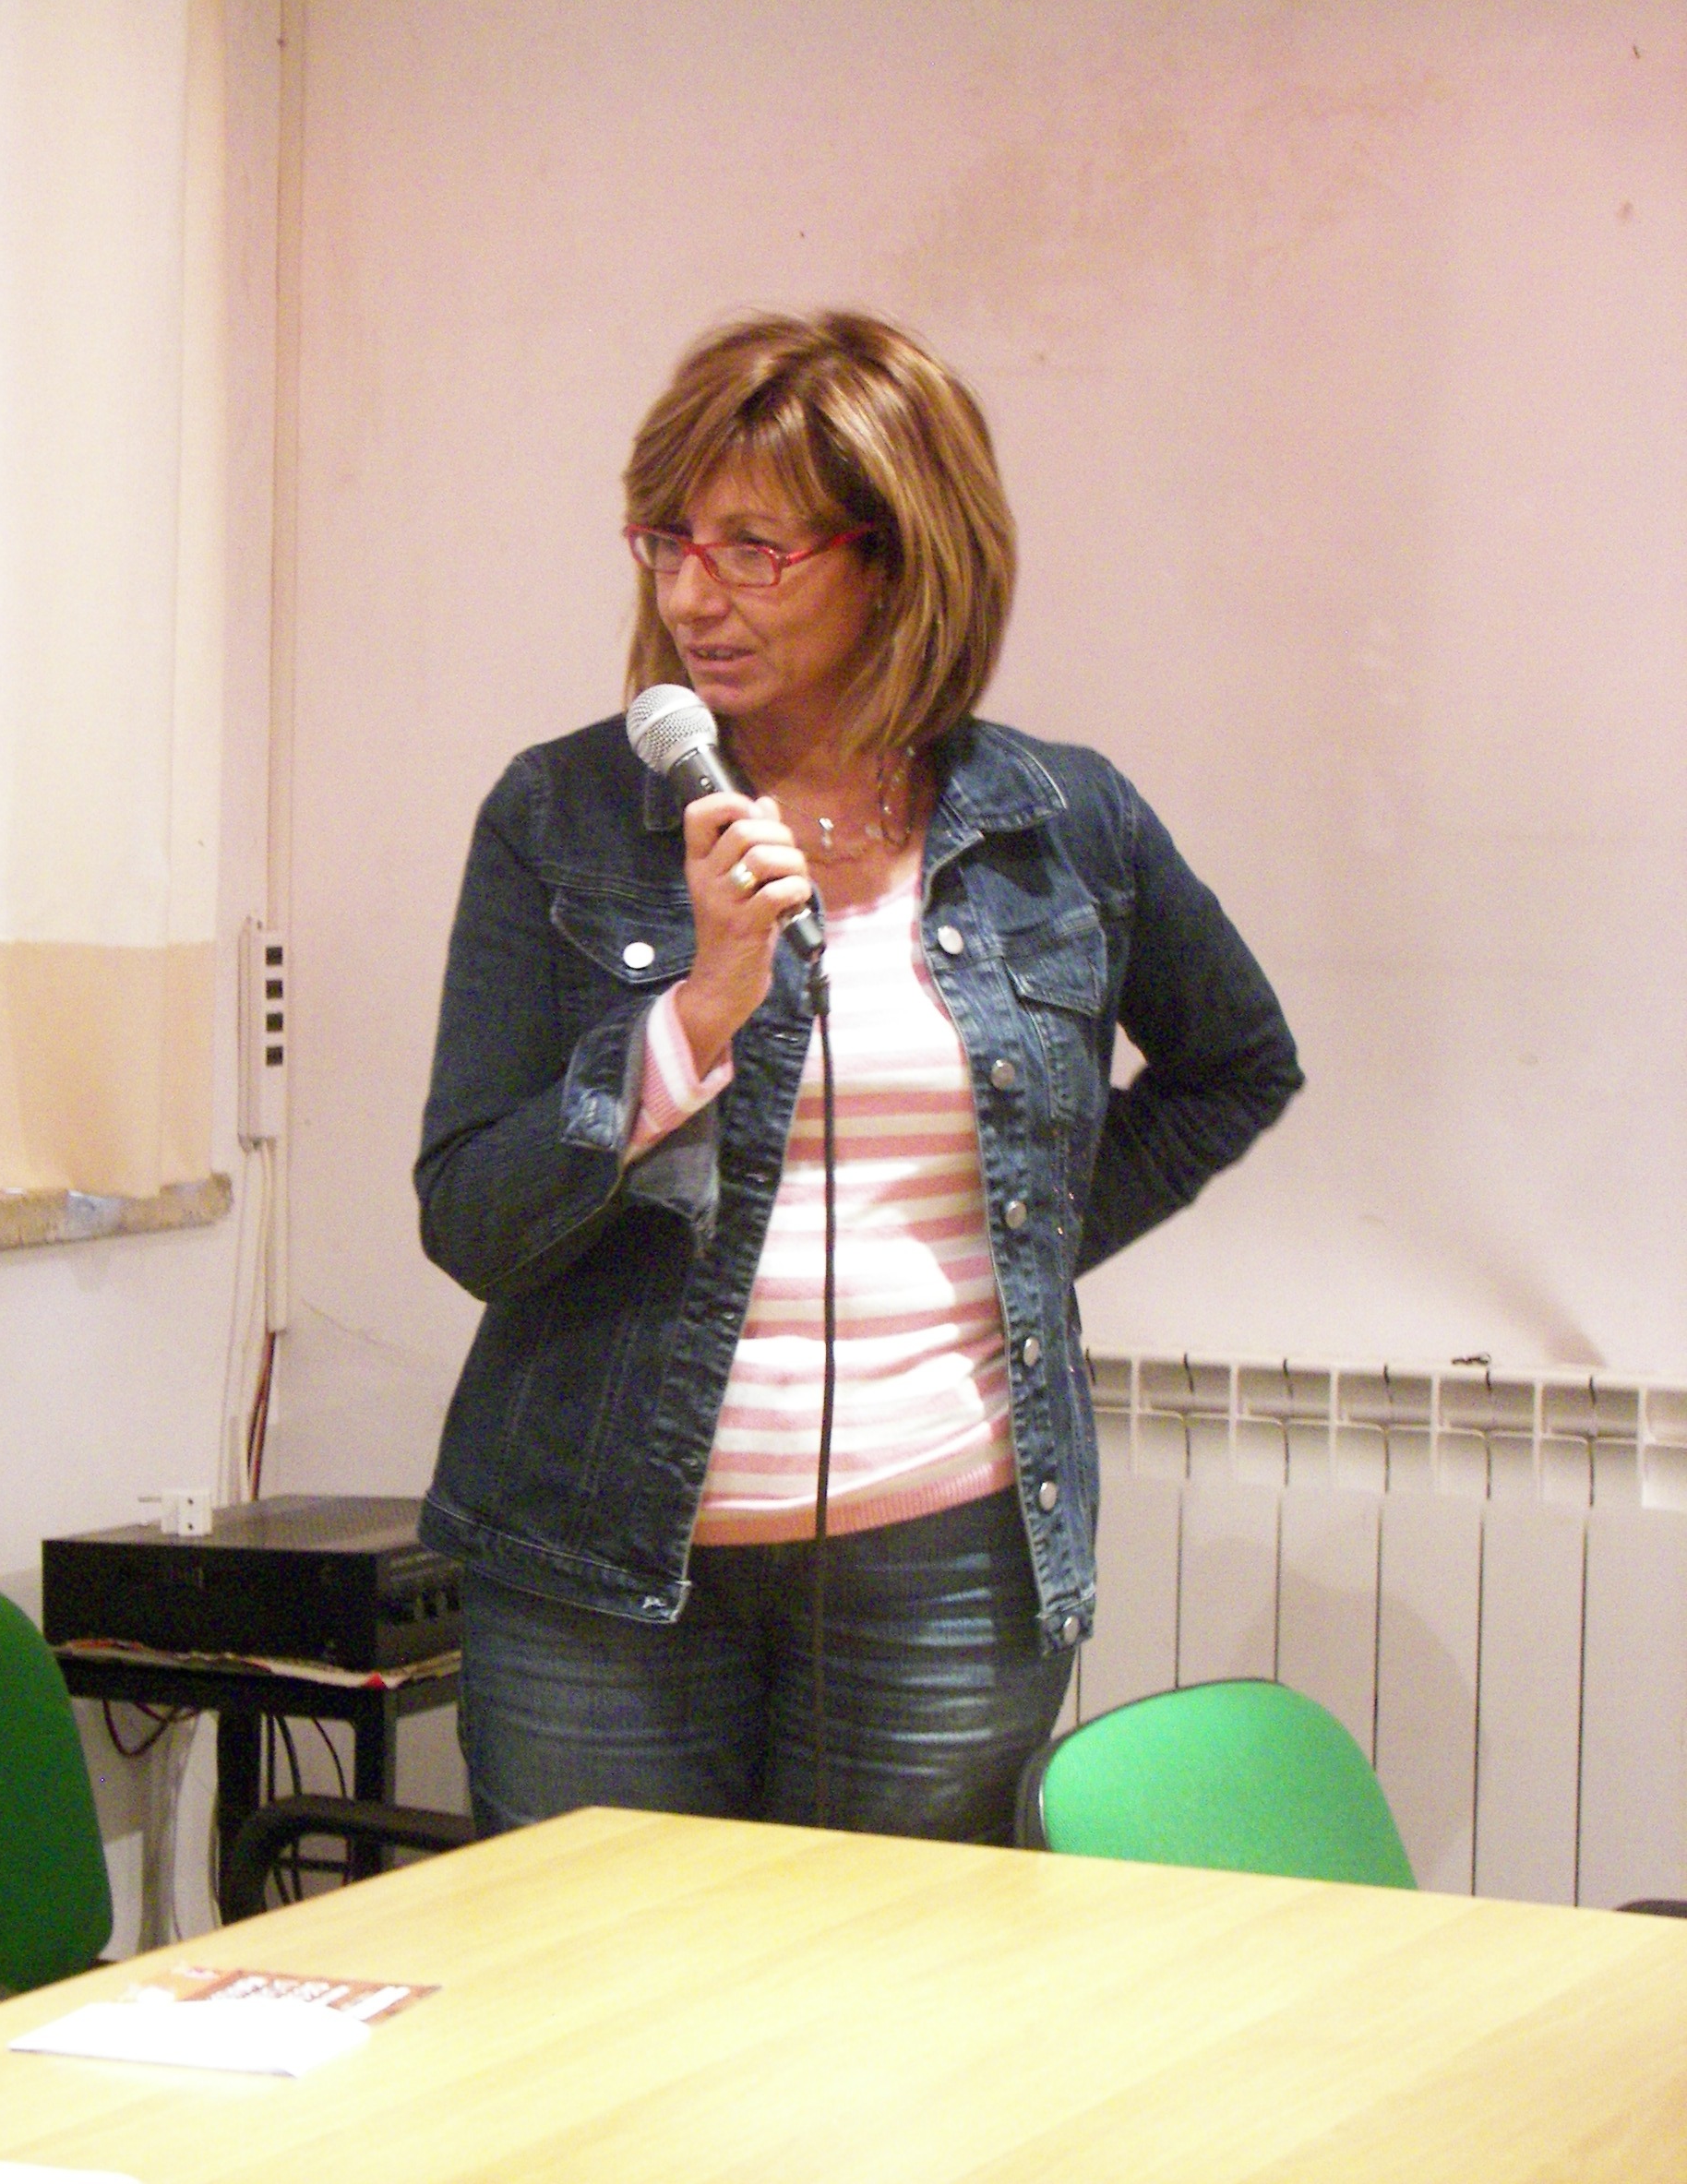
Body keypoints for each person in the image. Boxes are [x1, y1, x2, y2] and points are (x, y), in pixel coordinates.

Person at [416, 310, 1301, 1843]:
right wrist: (695, 1016)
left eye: (754, 551)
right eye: (668, 541)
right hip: (595, 1574)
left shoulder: (1063, 821)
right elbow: (471, 1221)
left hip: (946, 1571)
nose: (693, 595)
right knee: (599, 1987)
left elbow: (1235, 1064)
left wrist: (1015, 1252)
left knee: (901, 1991)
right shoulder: (562, 815)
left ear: (896, 558)